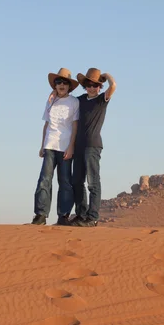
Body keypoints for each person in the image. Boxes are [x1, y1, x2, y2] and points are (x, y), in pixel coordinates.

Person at [32, 68, 80, 226]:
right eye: (58, 82)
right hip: (49, 145)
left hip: (65, 146)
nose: (61, 85)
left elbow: (75, 126)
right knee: (44, 180)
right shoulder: (50, 101)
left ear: (69, 86)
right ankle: (40, 215)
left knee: (65, 181)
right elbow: (46, 124)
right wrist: (42, 146)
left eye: (65, 82)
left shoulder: (74, 102)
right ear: (55, 85)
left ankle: (63, 215)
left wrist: (71, 146)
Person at [71, 68, 117, 227]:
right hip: (78, 146)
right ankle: (81, 215)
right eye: (89, 85)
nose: (92, 88)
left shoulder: (101, 100)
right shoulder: (80, 100)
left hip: (93, 146)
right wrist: (53, 96)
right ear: (84, 86)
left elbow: (114, 86)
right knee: (77, 181)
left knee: (92, 182)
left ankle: (93, 217)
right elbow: (65, 101)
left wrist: (107, 76)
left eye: (95, 85)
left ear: (99, 87)